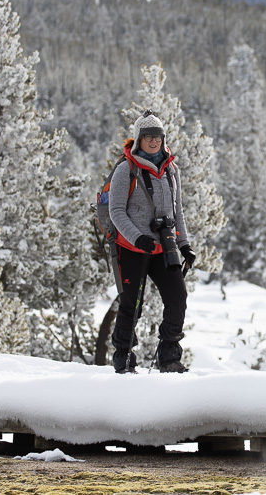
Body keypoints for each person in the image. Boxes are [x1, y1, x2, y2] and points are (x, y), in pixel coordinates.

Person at [108, 110, 197, 374]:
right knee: (132, 303)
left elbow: (176, 211)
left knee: (177, 296)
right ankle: (123, 358)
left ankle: (169, 356)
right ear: (138, 139)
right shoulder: (126, 169)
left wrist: (185, 245)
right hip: (131, 248)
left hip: (163, 248)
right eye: (148, 137)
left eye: (157, 136)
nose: (154, 141)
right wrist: (137, 238)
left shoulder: (171, 170)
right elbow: (116, 212)